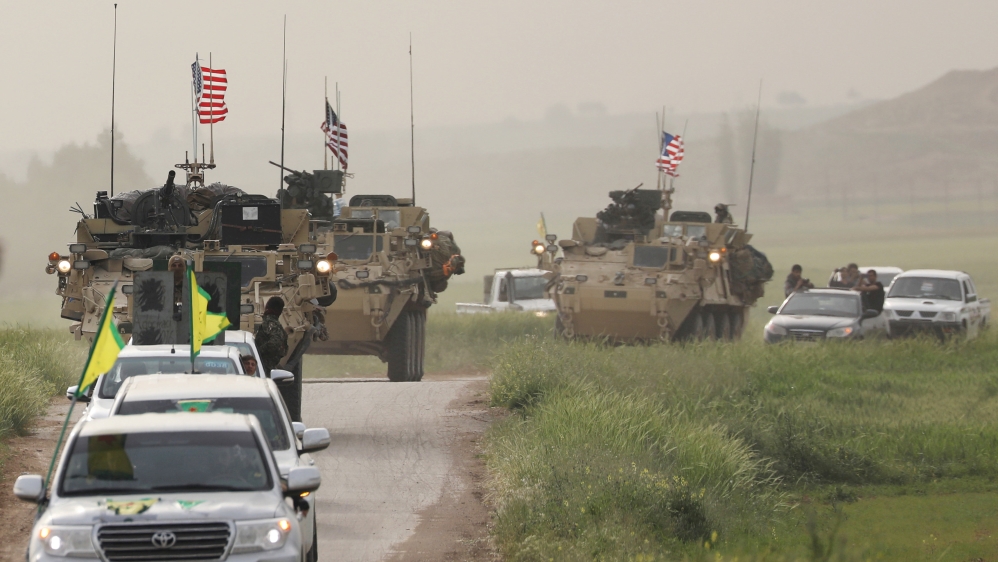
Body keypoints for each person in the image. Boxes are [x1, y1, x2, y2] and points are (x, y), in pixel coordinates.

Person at [254, 296, 288, 376]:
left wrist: (258, 352)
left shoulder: (270, 324)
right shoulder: (274, 324)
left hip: (265, 367)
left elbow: (275, 342)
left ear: (267, 307)